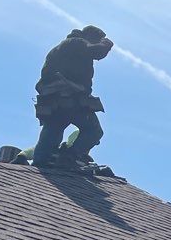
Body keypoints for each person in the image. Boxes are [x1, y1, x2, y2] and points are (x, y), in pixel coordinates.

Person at [33, 26, 113, 170]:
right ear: (89, 36)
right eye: (96, 39)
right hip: (68, 97)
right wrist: (105, 44)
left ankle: (43, 163)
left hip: (59, 100)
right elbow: (95, 51)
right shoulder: (75, 42)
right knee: (93, 131)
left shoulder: (67, 48)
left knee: (53, 131)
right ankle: (64, 158)